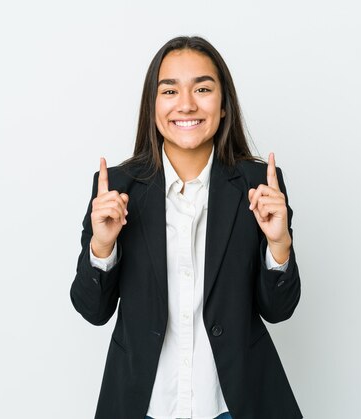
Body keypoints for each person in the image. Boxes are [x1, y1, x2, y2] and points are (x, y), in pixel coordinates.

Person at [70, 36, 302, 419]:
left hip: (232, 405)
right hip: (146, 405)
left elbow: (278, 310)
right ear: (153, 106)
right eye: (170, 90)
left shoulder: (259, 186)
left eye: (203, 88)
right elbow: (93, 310)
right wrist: (102, 247)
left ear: (223, 105)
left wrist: (278, 243)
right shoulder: (116, 189)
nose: (187, 104)